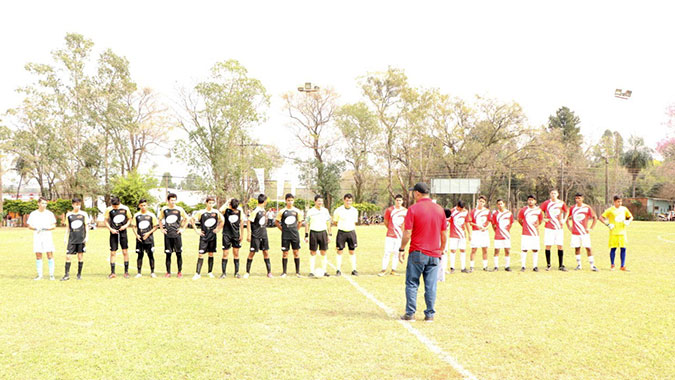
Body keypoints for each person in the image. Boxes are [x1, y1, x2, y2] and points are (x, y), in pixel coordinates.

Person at [399, 182, 446, 322]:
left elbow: (407, 232)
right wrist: (441, 249)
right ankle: (430, 314)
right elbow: (444, 234)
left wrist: (401, 248)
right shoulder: (439, 209)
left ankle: (410, 313)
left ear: (417, 193)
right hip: (434, 254)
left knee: (412, 283)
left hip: (417, 252)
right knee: (431, 285)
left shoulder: (413, 209)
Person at [191, 197, 224, 280]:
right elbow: (192, 220)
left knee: (211, 254)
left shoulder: (216, 212)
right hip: (204, 237)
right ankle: (197, 273)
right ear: (206, 203)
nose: (211, 204)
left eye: (212, 203)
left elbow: (222, 220)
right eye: (209, 203)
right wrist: (196, 230)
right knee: (201, 254)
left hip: (212, 236)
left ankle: (210, 272)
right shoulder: (201, 212)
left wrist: (218, 229)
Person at [599, 195, 634, 271]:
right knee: (613, 249)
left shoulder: (624, 209)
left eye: (621, 201)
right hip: (614, 233)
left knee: (623, 248)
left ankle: (622, 266)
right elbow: (601, 217)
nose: (620, 203)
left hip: (622, 233)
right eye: (618, 201)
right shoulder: (610, 210)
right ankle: (612, 265)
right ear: (614, 202)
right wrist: (607, 224)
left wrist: (628, 221)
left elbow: (631, 217)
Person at [159, 193, 189, 278]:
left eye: (174, 200)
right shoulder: (164, 209)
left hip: (177, 235)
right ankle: (168, 272)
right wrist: (161, 229)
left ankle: (179, 272)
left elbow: (187, 219)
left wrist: (182, 228)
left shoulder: (179, 209)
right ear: (168, 200)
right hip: (168, 235)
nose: (173, 202)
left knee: (178, 254)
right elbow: (160, 219)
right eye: (171, 200)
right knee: (168, 254)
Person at [566, 193, 598, 271]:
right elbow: (566, 217)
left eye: (579, 198)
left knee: (588, 248)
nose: (577, 200)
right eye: (576, 198)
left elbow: (595, 217)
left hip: (584, 233)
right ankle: (579, 265)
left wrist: (591, 228)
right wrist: (569, 226)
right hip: (575, 233)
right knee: (577, 248)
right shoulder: (572, 208)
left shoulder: (587, 208)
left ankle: (592, 265)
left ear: (582, 199)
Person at [27, 197, 57, 280]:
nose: (44, 205)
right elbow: (29, 226)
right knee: (38, 254)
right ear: (38, 203)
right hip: (37, 236)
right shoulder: (33, 214)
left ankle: (51, 275)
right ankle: (40, 275)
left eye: (45, 203)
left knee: (49, 254)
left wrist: (46, 228)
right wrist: (36, 228)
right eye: (43, 203)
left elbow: (54, 226)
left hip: (47, 236)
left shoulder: (49, 214)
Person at [275, 193, 304, 278]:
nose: (290, 202)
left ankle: (298, 272)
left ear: (293, 201)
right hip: (285, 236)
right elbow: (276, 222)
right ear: (286, 201)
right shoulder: (282, 211)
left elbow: (300, 222)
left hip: (295, 235)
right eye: (288, 200)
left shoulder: (297, 211)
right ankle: (284, 272)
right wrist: (283, 229)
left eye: (291, 200)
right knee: (285, 253)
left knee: (296, 253)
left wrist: (296, 230)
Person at [104, 195, 133, 279]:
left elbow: (130, 219)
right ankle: (112, 272)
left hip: (123, 232)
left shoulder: (125, 208)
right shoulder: (109, 209)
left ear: (119, 203)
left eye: (116, 206)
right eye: (113, 206)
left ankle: (126, 272)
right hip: (113, 233)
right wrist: (110, 229)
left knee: (125, 252)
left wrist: (125, 226)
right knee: (113, 252)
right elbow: (105, 220)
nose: (115, 207)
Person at [540, 190, 569, 271]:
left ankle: (561, 265)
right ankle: (548, 265)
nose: (553, 195)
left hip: (559, 227)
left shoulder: (561, 203)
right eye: (552, 193)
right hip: (549, 228)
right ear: (550, 194)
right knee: (548, 245)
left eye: (555, 193)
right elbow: (539, 211)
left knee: (560, 245)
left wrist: (564, 219)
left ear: (558, 194)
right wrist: (543, 219)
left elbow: (567, 211)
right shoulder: (546, 203)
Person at [304, 194, 332, 278]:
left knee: (323, 251)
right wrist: (306, 235)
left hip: (323, 232)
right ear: (315, 201)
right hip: (313, 233)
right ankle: (311, 271)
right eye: (318, 201)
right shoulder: (310, 211)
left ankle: (324, 270)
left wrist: (329, 234)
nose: (320, 202)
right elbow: (307, 223)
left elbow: (328, 223)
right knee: (313, 252)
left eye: (321, 201)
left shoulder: (325, 211)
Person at [61, 198, 88, 281]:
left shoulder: (84, 214)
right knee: (68, 256)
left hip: (81, 238)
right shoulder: (69, 215)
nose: (78, 206)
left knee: (80, 256)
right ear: (72, 205)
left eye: (79, 204)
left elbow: (86, 226)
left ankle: (79, 274)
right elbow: (68, 227)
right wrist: (65, 237)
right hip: (72, 239)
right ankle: (66, 274)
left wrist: (87, 237)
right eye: (76, 204)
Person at [379, 194, 407, 276]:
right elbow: (386, 221)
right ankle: (383, 269)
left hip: (399, 236)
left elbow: (406, 223)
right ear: (395, 201)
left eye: (400, 200)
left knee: (396, 253)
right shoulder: (390, 210)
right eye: (397, 200)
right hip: (390, 235)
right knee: (387, 252)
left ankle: (393, 270)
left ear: (402, 201)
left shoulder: (405, 211)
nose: (398, 202)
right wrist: (390, 229)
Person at [333, 193, 360, 276]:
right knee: (339, 251)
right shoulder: (338, 210)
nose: (348, 202)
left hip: (351, 232)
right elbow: (335, 222)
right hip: (341, 232)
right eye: (347, 200)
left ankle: (354, 269)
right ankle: (338, 270)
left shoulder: (354, 210)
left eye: (350, 201)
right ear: (344, 200)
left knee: (352, 251)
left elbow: (355, 222)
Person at [246, 194, 272, 278]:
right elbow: (249, 221)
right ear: (264, 202)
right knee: (252, 253)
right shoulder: (255, 211)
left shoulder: (264, 210)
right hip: (256, 235)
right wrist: (249, 233)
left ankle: (269, 272)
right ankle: (247, 272)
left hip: (264, 234)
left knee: (266, 252)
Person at [132, 198, 159, 278]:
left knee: (150, 255)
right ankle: (139, 273)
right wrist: (136, 235)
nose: (143, 207)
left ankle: (152, 272)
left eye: (144, 205)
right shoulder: (136, 215)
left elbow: (155, 227)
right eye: (141, 205)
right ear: (139, 206)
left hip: (149, 239)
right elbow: (133, 226)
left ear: (147, 205)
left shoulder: (151, 215)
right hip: (139, 239)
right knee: (140, 255)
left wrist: (148, 233)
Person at [219, 198, 246, 278]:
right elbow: (220, 210)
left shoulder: (239, 211)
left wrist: (242, 234)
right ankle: (223, 273)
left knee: (236, 253)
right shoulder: (226, 210)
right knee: (225, 254)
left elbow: (241, 222)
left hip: (236, 235)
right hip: (226, 234)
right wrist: (227, 201)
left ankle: (236, 273)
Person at [517, 195, 543, 272]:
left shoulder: (538, 210)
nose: (530, 201)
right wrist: (524, 226)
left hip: (535, 233)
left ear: (535, 201)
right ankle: (523, 266)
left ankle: (535, 266)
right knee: (524, 249)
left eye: (532, 200)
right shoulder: (523, 210)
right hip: (525, 233)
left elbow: (540, 220)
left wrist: (535, 227)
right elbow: (519, 219)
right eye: (529, 200)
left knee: (535, 249)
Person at [468, 195, 491, 272]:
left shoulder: (487, 211)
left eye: (483, 202)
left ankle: (485, 266)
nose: (481, 203)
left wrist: (486, 227)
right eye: (480, 201)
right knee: (474, 249)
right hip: (476, 232)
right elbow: (470, 222)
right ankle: (471, 267)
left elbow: (489, 222)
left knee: (485, 249)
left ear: (485, 203)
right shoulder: (473, 211)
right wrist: (477, 226)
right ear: (478, 201)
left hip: (484, 233)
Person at [491, 199, 514, 271]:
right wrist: (497, 231)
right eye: (498, 204)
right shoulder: (495, 214)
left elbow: (510, 224)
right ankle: (496, 267)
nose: (500, 205)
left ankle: (507, 266)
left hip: (506, 235)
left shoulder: (509, 213)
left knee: (507, 250)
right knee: (496, 251)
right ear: (497, 205)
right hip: (498, 235)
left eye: (501, 204)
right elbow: (493, 224)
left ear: (504, 204)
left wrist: (506, 231)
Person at [447, 201, 470, 274]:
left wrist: (470, 234)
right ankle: (452, 267)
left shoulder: (466, 212)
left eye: (462, 209)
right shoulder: (452, 211)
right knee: (453, 250)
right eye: (460, 209)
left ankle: (463, 268)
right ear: (457, 206)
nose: (461, 210)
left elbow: (467, 223)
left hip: (462, 235)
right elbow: (448, 222)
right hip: (453, 235)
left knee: (463, 250)